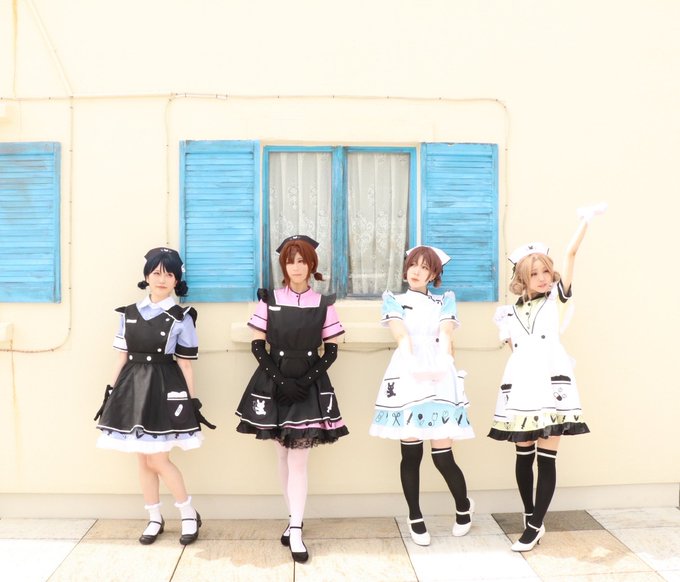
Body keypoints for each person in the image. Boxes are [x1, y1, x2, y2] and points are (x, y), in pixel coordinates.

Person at [488, 205, 605, 552]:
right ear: (522, 279)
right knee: (523, 455)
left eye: (545, 271)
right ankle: (530, 517)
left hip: (552, 385)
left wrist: (584, 221)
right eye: (534, 273)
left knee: (547, 457)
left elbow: (570, 254)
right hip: (522, 386)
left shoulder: (557, 301)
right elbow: (515, 351)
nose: (542, 277)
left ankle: (535, 525)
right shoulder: (508, 314)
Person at [235, 234, 348, 563]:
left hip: (309, 385)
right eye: (290, 261)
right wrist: (282, 380)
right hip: (274, 383)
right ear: (283, 265)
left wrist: (304, 381)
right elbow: (258, 346)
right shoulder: (269, 299)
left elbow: (332, 350)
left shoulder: (324, 303)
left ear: (311, 264)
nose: (296, 267)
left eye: (302, 261)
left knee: (299, 460)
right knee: (283, 456)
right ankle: (292, 519)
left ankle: (296, 529)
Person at [94, 247, 215, 546]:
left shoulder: (182, 317)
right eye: (157, 272)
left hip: (164, 387)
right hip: (132, 387)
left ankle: (188, 513)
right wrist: (110, 392)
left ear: (177, 280)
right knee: (143, 460)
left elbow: (185, 364)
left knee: (159, 459)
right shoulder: (128, 313)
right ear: (147, 276)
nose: (162, 279)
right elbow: (122, 358)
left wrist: (192, 401)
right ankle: (154, 517)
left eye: (169, 274)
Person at [369, 246, 474, 546]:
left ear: (434, 274)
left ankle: (464, 506)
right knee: (411, 453)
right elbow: (401, 334)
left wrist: (444, 363)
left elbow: (446, 334)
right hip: (407, 371)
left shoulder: (445, 300)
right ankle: (415, 516)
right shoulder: (394, 299)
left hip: (440, 372)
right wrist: (412, 362)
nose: (416, 271)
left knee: (443, 456)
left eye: (425, 267)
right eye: (413, 265)